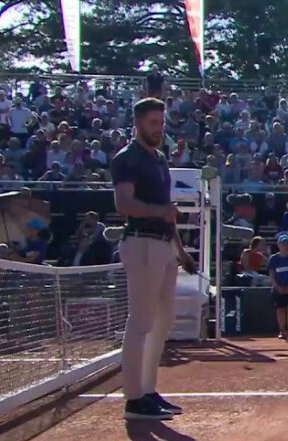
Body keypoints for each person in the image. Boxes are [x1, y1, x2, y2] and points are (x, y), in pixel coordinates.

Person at [110, 97, 196, 421]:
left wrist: (180, 250)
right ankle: (133, 398)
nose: (158, 129)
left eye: (161, 123)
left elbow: (167, 210)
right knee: (141, 321)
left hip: (163, 245)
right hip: (141, 243)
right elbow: (123, 204)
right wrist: (160, 212)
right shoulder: (127, 159)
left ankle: (148, 390)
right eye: (152, 123)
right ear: (138, 124)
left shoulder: (160, 159)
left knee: (162, 323)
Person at [267, 235, 288, 339]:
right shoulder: (273, 259)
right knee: (280, 309)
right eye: (282, 244)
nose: (284, 246)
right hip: (278, 289)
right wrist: (277, 287)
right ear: (278, 245)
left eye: (286, 244)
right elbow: (271, 275)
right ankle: (282, 331)